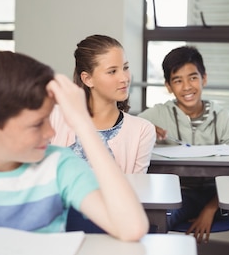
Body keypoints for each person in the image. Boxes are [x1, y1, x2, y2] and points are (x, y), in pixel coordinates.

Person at [0, 49, 149, 241]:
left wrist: (83, 124)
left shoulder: (58, 165)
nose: (50, 132)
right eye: (37, 124)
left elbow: (132, 228)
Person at [138, 45, 229, 243]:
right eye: (178, 80)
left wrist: (210, 209)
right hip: (179, 194)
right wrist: (142, 128)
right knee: (153, 223)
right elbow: (121, 126)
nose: (186, 87)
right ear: (168, 86)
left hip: (218, 195)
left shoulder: (223, 117)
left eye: (193, 77)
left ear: (204, 78)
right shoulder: (157, 114)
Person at [50, 34, 156, 174]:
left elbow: (135, 188)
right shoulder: (54, 117)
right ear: (88, 79)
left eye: (125, 68)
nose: (124, 78)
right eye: (112, 71)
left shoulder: (142, 130)